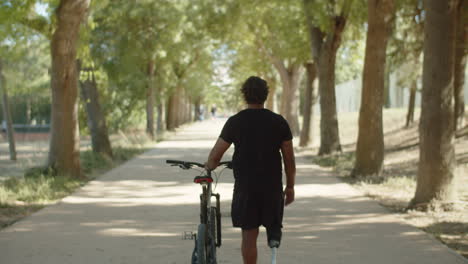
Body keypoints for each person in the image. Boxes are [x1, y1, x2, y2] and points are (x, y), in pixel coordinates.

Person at [205, 76, 296, 264]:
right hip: (271, 188)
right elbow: (289, 159)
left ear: (244, 95)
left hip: (246, 189)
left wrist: (209, 166)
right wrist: (290, 187)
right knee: (273, 225)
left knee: (248, 238)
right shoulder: (279, 122)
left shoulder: (235, 122)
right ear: (265, 95)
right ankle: (273, 240)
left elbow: (216, 155)